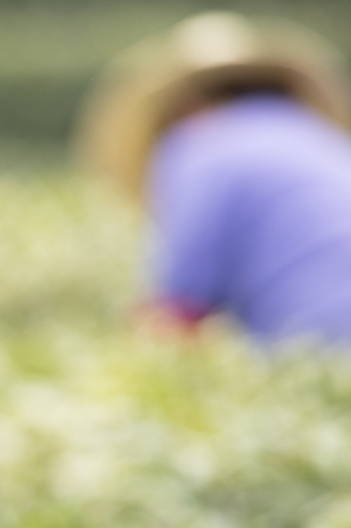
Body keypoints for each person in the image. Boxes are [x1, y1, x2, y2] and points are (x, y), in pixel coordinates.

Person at [77, 11, 351, 347]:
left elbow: (177, 313)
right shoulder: (323, 139)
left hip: (329, 346)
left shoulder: (198, 145)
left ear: (185, 106)